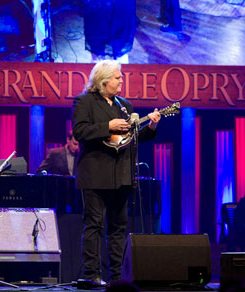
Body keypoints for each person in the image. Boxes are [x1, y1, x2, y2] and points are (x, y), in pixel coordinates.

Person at [72, 60, 161, 283]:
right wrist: (107, 127)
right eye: (117, 77)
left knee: (118, 227)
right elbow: (79, 131)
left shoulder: (125, 106)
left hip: (121, 175)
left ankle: (117, 277)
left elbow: (132, 138)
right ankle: (91, 274)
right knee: (94, 225)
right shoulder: (84, 102)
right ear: (103, 80)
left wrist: (150, 127)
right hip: (95, 174)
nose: (121, 80)